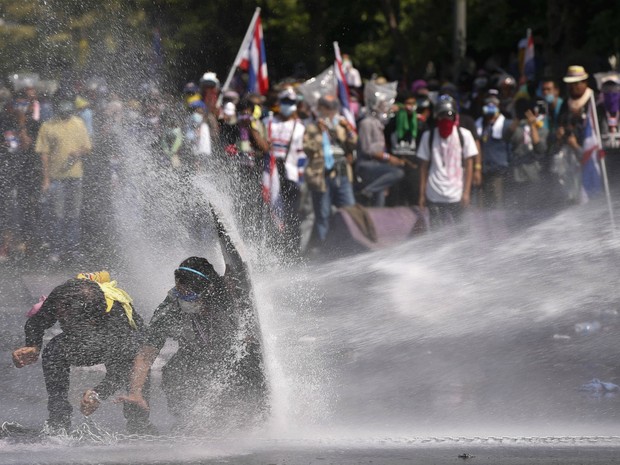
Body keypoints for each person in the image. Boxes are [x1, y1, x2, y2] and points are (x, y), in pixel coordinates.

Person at [118, 218, 268, 433]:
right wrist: (136, 392)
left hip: (234, 354)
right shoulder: (170, 309)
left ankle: (256, 416)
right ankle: (187, 419)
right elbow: (145, 355)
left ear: (206, 290)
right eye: (178, 290)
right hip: (197, 355)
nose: (181, 297)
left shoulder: (226, 295)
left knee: (249, 361)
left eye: (187, 293)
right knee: (172, 372)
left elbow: (233, 271)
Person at [12, 273, 154, 434]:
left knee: (136, 377)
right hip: (90, 342)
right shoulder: (62, 297)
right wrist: (33, 346)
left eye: (70, 322)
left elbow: (121, 371)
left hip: (130, 351)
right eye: (61, 316)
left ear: (92, 321)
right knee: (54, 349)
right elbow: (36, 322)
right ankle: (59, 419)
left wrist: (97, 394)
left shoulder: (116, 318)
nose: (61, 320)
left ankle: (139, 425)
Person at [35, 99, 92, 262]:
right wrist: (45, 179)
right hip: (56, 177)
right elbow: (43, 154)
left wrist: (78, 152)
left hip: (75, 176)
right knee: (57, 214)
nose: (66, 114)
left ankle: (73, 249)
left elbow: (87, 147)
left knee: (74, 214)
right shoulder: (48, 126)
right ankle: (56, 250)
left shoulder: (79, 123)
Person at [303, 95, 357, 244]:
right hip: (322, 176)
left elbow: (353, 143)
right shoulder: (312, 127)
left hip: (342, 173)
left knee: (349, 210)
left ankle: (350, 243)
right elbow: (308, 148)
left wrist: (347, 128)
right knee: (323, 214)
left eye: (332, 108)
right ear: (321, 109)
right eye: (327, 108)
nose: (330, 112)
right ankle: (324, 247)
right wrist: (321, 133)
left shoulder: (341, 125)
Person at [417, 95, 477, 227]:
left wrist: (466, 193)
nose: (445, 119)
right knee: (436, 232)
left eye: (449, 115)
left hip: (457, 194)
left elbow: (469, 164)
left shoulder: (465, 135)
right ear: (436, 116)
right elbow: (423, 167)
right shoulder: (429, 136)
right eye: (441, 115)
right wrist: (421, 195)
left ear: (455, 116)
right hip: (434, 194)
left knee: (462, 232)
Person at [356, 88, 405, 207]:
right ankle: (367, 191)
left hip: (378, 166)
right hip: (366, 165)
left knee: (379, 204)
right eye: (383, 104)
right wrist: (389, 158)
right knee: (398, 173)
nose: (386, 107)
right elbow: (367, 149)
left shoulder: (379, 124)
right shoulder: (366, 123)